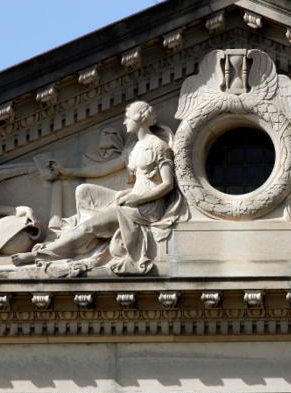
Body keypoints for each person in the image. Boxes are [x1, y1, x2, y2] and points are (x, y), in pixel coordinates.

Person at [11, 101, 179, 274]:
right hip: (131, 198)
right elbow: (102, 169)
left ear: (140, 117)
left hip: (145, 207)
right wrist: (66, 171)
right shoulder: (133, 149)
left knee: (88, 227)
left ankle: (41, 254)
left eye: (127, 117)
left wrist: (138, 199)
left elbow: (168, 184)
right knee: (84, 192)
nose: (124, 122)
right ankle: (83, 238)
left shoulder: (159, 146)